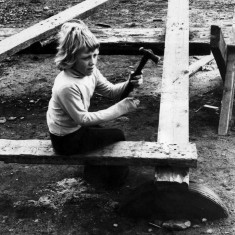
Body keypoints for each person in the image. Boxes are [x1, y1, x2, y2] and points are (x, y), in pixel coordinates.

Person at [46, 19, 143, 187]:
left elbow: (112, 91)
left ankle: (94, 174)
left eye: (95, 55)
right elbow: (83, 119)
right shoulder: (67, 86)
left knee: (101, 134)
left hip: (76, 130)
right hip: (66, 140)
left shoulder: (90, 72)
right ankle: (116, 182)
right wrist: (121, 108)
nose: (92, 62)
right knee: (117, 135)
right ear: (70, 58)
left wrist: (130, 83)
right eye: (86, 58)